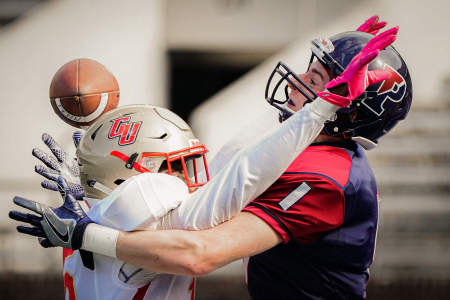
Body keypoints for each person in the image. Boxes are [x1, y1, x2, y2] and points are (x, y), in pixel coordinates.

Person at [11, 20, 410, 300]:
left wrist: (86, 230)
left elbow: (199, 251)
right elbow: (225, 174)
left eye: (317, 80)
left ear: (349, 111)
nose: (299, 81)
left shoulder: (325, 176)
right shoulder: (311, 147)